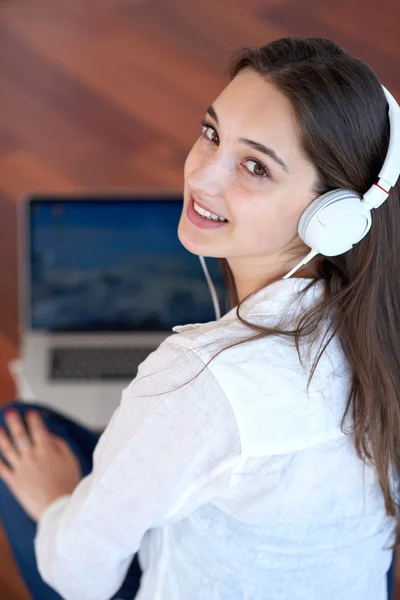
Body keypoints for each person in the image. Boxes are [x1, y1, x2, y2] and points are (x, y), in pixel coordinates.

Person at [0, 36, 399, 600]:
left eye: (255, 167)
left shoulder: (197, 379)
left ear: (333, 218)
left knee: (14, 429)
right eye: (212, 133)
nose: (202, 176)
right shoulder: (381, 321)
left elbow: (80, 577)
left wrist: (56, 500)